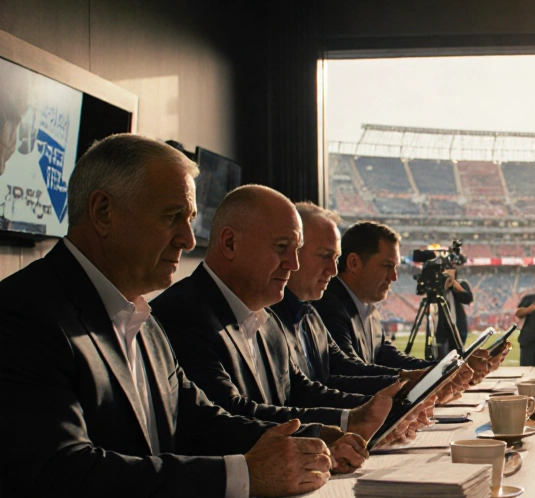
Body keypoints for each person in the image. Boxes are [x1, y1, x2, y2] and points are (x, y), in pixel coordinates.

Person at [0, 135, 336, 498]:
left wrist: (310, 440)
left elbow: (197, 419)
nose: (188, 237)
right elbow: (64, 475)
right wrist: (242, 476)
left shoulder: (141, 315)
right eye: (172, 217)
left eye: (191, 218)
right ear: (103, 212)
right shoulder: (23, 314)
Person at [152, 186, 414, 460]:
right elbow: (226, 417)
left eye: (297, 250)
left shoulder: (268, 319)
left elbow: (299, 391)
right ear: (230, 244)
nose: (293, 263)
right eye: (281, 248)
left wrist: (359, 416)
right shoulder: (181, 313)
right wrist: (341, 427)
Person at [270, 202, 414, 395]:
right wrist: (408, 384)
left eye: (335, 258)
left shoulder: (309, 312)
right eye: (324, 256)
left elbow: (334, 374)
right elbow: (308, 391)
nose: (333, 270)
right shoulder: (323, 307)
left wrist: (430, 376)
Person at [313, 221, 430, 370]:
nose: (394, 277)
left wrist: (445, 370)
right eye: (387, 266)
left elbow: (390, 358)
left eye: (395, 268)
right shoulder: (328, 307)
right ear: (354, 263)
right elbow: (350, 371)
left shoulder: (367, 309)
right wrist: (407, 377)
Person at [435, 260, 473, 357]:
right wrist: (443, 285)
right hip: (442, 329)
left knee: (457, 356)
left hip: (458, 327)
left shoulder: (461, 283)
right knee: (442, 358)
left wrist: (454, 284)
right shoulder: (437, 287)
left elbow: (468, 298)